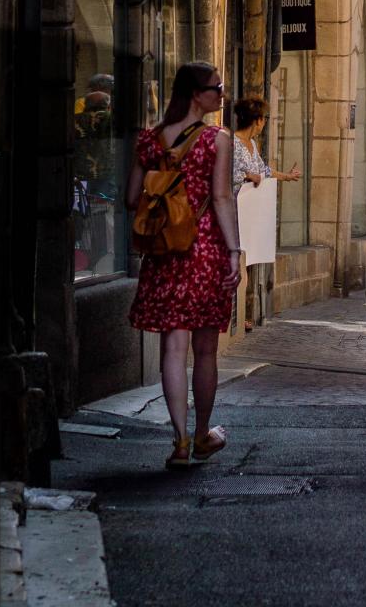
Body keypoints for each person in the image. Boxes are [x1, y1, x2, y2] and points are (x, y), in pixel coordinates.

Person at [126, 62, 241, 469]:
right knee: (205, 349)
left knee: (172, 348)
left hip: (164, 250)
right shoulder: (216, 140)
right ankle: (203, 434)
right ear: (197, 93)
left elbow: (131, 196)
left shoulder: (150, 139)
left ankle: (177, 440)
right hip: (205, 246)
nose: (222, 94)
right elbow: (222, 198)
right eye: (217, 87)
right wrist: (234, 251)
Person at [230, 96, 300, 332]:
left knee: (247, 263)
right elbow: (227, 175)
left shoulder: (252, 145)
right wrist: (248, 177)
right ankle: (235, 317)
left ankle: (241, 316)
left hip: (250, 215)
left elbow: (263, 171)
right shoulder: (233, 144)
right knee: (237, 263)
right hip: (234, 213)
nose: (264, 124)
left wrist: (286, 176)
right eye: (264, 119)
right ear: (258, 120)